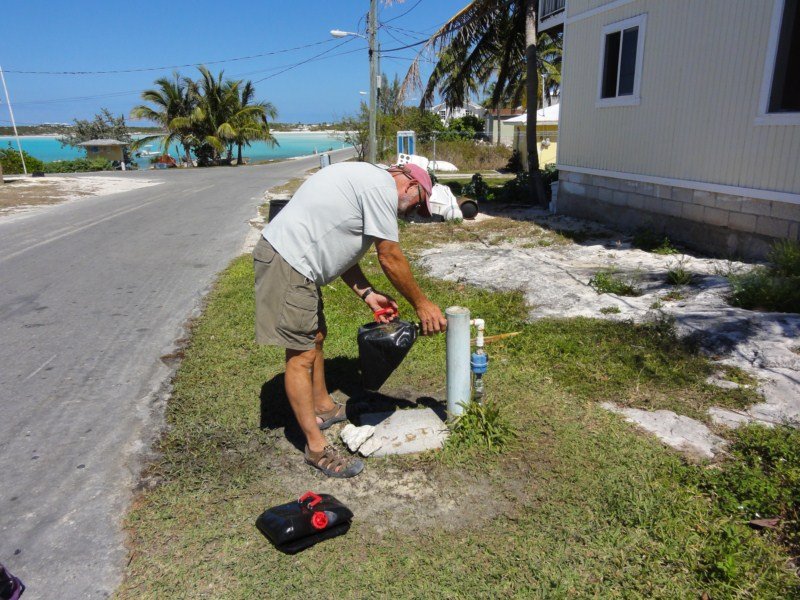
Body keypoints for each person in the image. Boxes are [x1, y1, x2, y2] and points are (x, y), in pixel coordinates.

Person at [254, 161, 447, 478]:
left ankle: (324, 407)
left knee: (315, 337)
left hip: (296, 261)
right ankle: (316, 447)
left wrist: (369, 294)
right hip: (288, 262)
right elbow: (389, 255)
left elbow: (338, 245)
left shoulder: (366, 182)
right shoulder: (380, 189)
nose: (411, 213)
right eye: (418, 204)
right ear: (411, 185)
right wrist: (422, 304)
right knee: (300, 354)